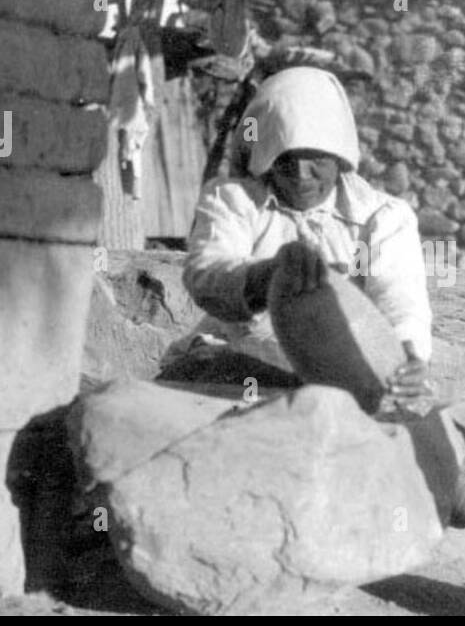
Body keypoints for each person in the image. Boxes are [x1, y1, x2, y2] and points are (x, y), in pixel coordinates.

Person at [176, 65, 432, 397]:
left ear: (340, 158)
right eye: (286, 161)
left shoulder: (384, 217)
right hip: (239, 360)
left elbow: (398, 295)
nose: (302, 175)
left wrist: (406, 353)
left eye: (317, 162)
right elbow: (205, 273)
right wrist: (266, 277)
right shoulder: (234, 200)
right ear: (266, 157)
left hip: (341, 369)